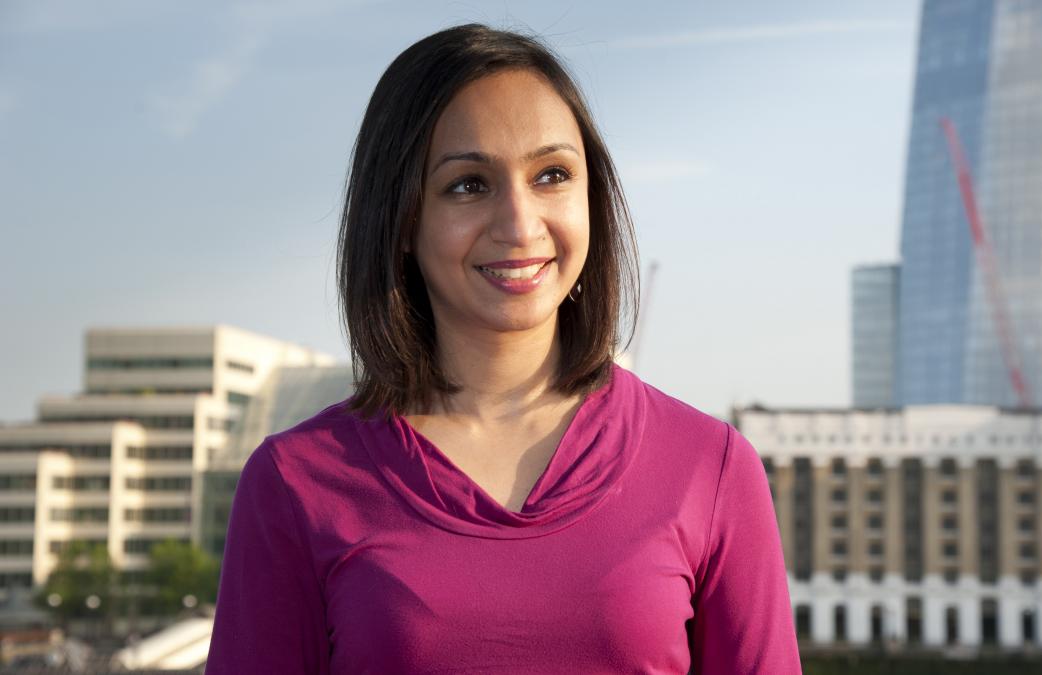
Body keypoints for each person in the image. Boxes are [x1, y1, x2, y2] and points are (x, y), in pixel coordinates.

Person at [205, 23, 801, 674]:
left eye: (552, 175)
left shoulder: (711, 468)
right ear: (400, 219)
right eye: (468, 184)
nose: (519, 225)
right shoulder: (293, 483)